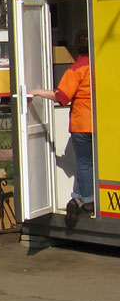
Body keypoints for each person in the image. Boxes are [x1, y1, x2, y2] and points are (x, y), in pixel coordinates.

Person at [29, 29, 93, 228]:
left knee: (84, 164)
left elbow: (61, 96)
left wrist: (37, 91)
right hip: (102, 123)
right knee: (90, 164)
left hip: (82, 124)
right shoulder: (101, 65)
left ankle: (89, 202)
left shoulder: (77, 68)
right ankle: (76, 199)